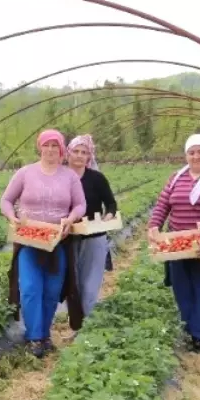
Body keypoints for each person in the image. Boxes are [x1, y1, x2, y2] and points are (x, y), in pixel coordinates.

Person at [0, 129, 87, 357]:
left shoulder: (70, 176)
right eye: (46, 145)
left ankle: (44, 334)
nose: (50, 150)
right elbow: (6, 200)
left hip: (57, 241)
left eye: (55, 146)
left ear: (61, 150)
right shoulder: (25, 173)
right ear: (39, 147)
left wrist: (70, 218)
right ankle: (34, 336)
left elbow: (80, 205)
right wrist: (12, 217)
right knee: (29, 288)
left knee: (51, 290)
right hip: (29, 240)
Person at [147, 133, 200, 352]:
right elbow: (163, 204)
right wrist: (154, 225)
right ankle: (188, 327)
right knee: (182, 288)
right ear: (186, 155)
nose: (196, 156)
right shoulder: (176, 177)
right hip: (177, 242)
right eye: (191, 152)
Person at [65, 134, 118, 319]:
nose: (79, 156)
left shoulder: (96, 178)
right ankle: (77, 322)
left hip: (94, 237)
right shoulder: (59, 177)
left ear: (89, 156)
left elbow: (111, 204)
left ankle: (85, 326)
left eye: (84, 152)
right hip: (67, 237)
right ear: (68, 153)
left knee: (89, 286)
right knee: (72, 284)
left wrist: (107, 217)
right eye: (76, 151)